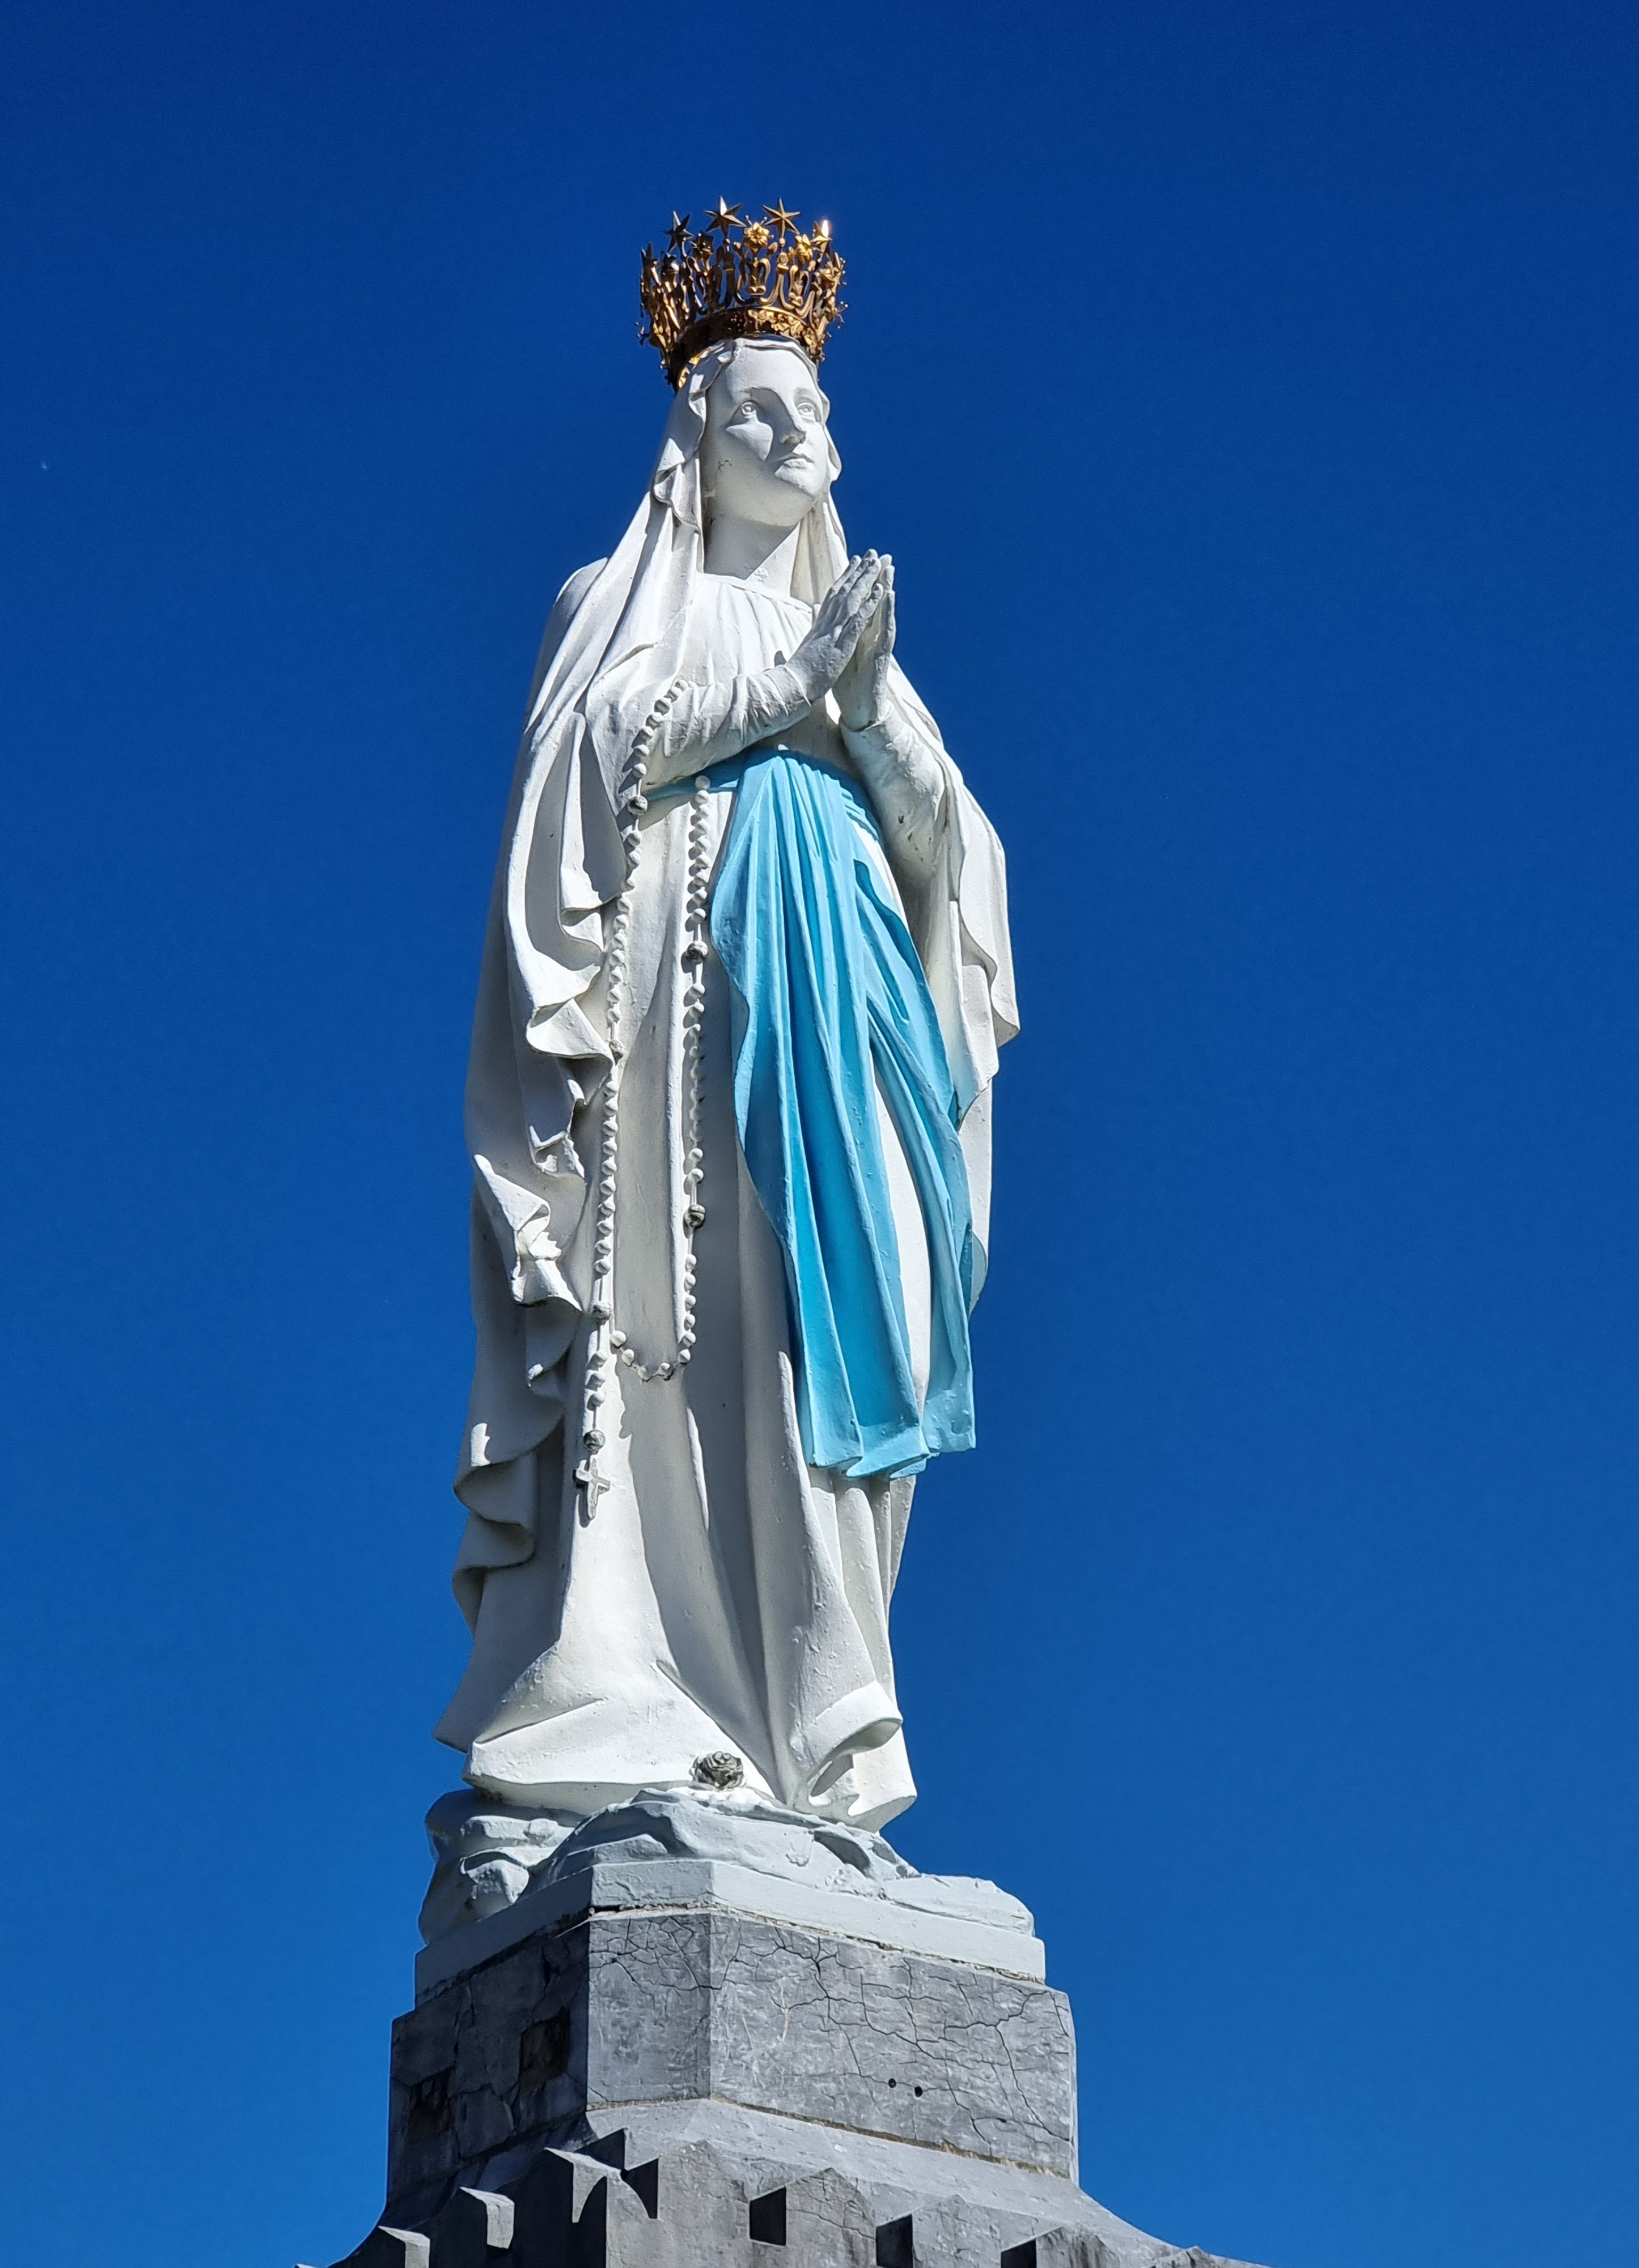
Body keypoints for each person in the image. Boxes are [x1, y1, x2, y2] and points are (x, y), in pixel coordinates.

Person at [433, 306, 1016, 1872]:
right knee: (691, 1341)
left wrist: (865, 710)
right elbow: (584, 779)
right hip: (676, 1039)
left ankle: (823, 1711)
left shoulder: (858, 640)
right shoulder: (618, 603)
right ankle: (653, 1700)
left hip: (841, 1023)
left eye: (813, 408)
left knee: (840, 1324)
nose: (797, 432)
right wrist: (789, 691)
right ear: (696, 434)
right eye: (760, 407)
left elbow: (951, 864)